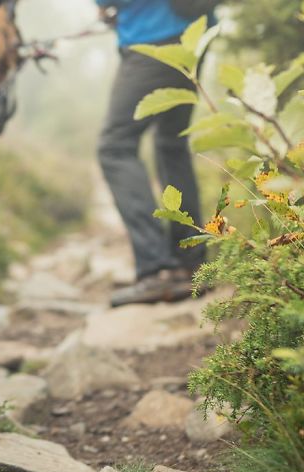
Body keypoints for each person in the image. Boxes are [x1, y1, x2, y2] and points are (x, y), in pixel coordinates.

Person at [95, 0, 218, 307]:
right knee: (171, 144)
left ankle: (156, 270)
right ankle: (189, 265)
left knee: (114, 147)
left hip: (153, 38)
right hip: (193, 35)